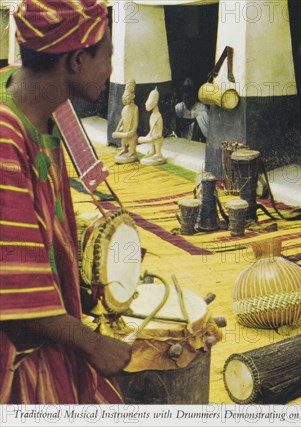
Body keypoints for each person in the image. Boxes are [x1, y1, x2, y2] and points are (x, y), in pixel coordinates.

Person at [0, 0, 132, 403]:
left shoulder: (48, 108)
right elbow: (10, 282)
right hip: (16, 351)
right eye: (108, 56)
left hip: (47, 322)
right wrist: (92, 344)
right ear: (76, 60)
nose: (111, 70)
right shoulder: (5, 137)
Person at [113, 78, 139, 164]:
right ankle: (124, 149)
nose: (124, 99)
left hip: (131, 132)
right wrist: (119, 129)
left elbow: (135, 123)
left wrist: (132, 131)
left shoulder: (135, 108)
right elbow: (122, 120)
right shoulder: (124, 109)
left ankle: (132, 151)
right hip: (125, 131)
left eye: (127, 97)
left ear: (132, 97)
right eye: (124, 97)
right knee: (123, 139)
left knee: (132, 139)